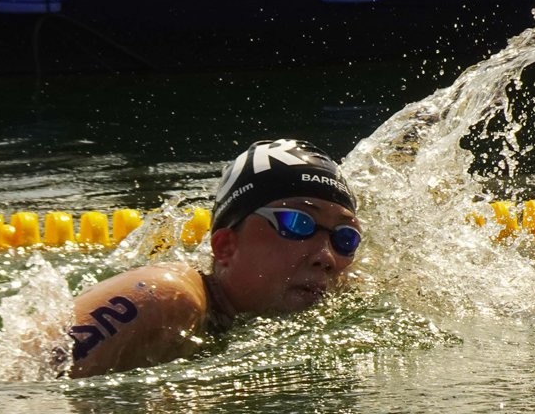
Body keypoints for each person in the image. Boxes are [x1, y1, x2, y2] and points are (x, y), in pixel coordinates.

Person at [64, 138, 362, 378]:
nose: (326, 257)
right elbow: (28, 382)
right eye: (298, 223)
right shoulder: (162, 297)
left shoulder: (338, 298)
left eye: (345, 238)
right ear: (225, 246)